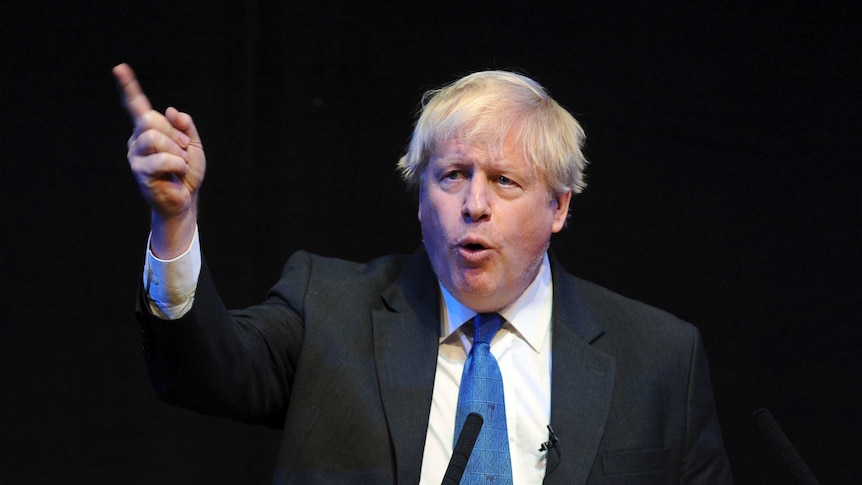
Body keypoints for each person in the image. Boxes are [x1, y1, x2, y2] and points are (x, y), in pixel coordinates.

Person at [114, 63, 732, 484]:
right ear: (419, 198)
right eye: (452, 175)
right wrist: (176, 222)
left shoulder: (660, 358)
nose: (474, 204)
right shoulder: (329, 309)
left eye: (505, 181)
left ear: (560, 206)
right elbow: (202, 371)